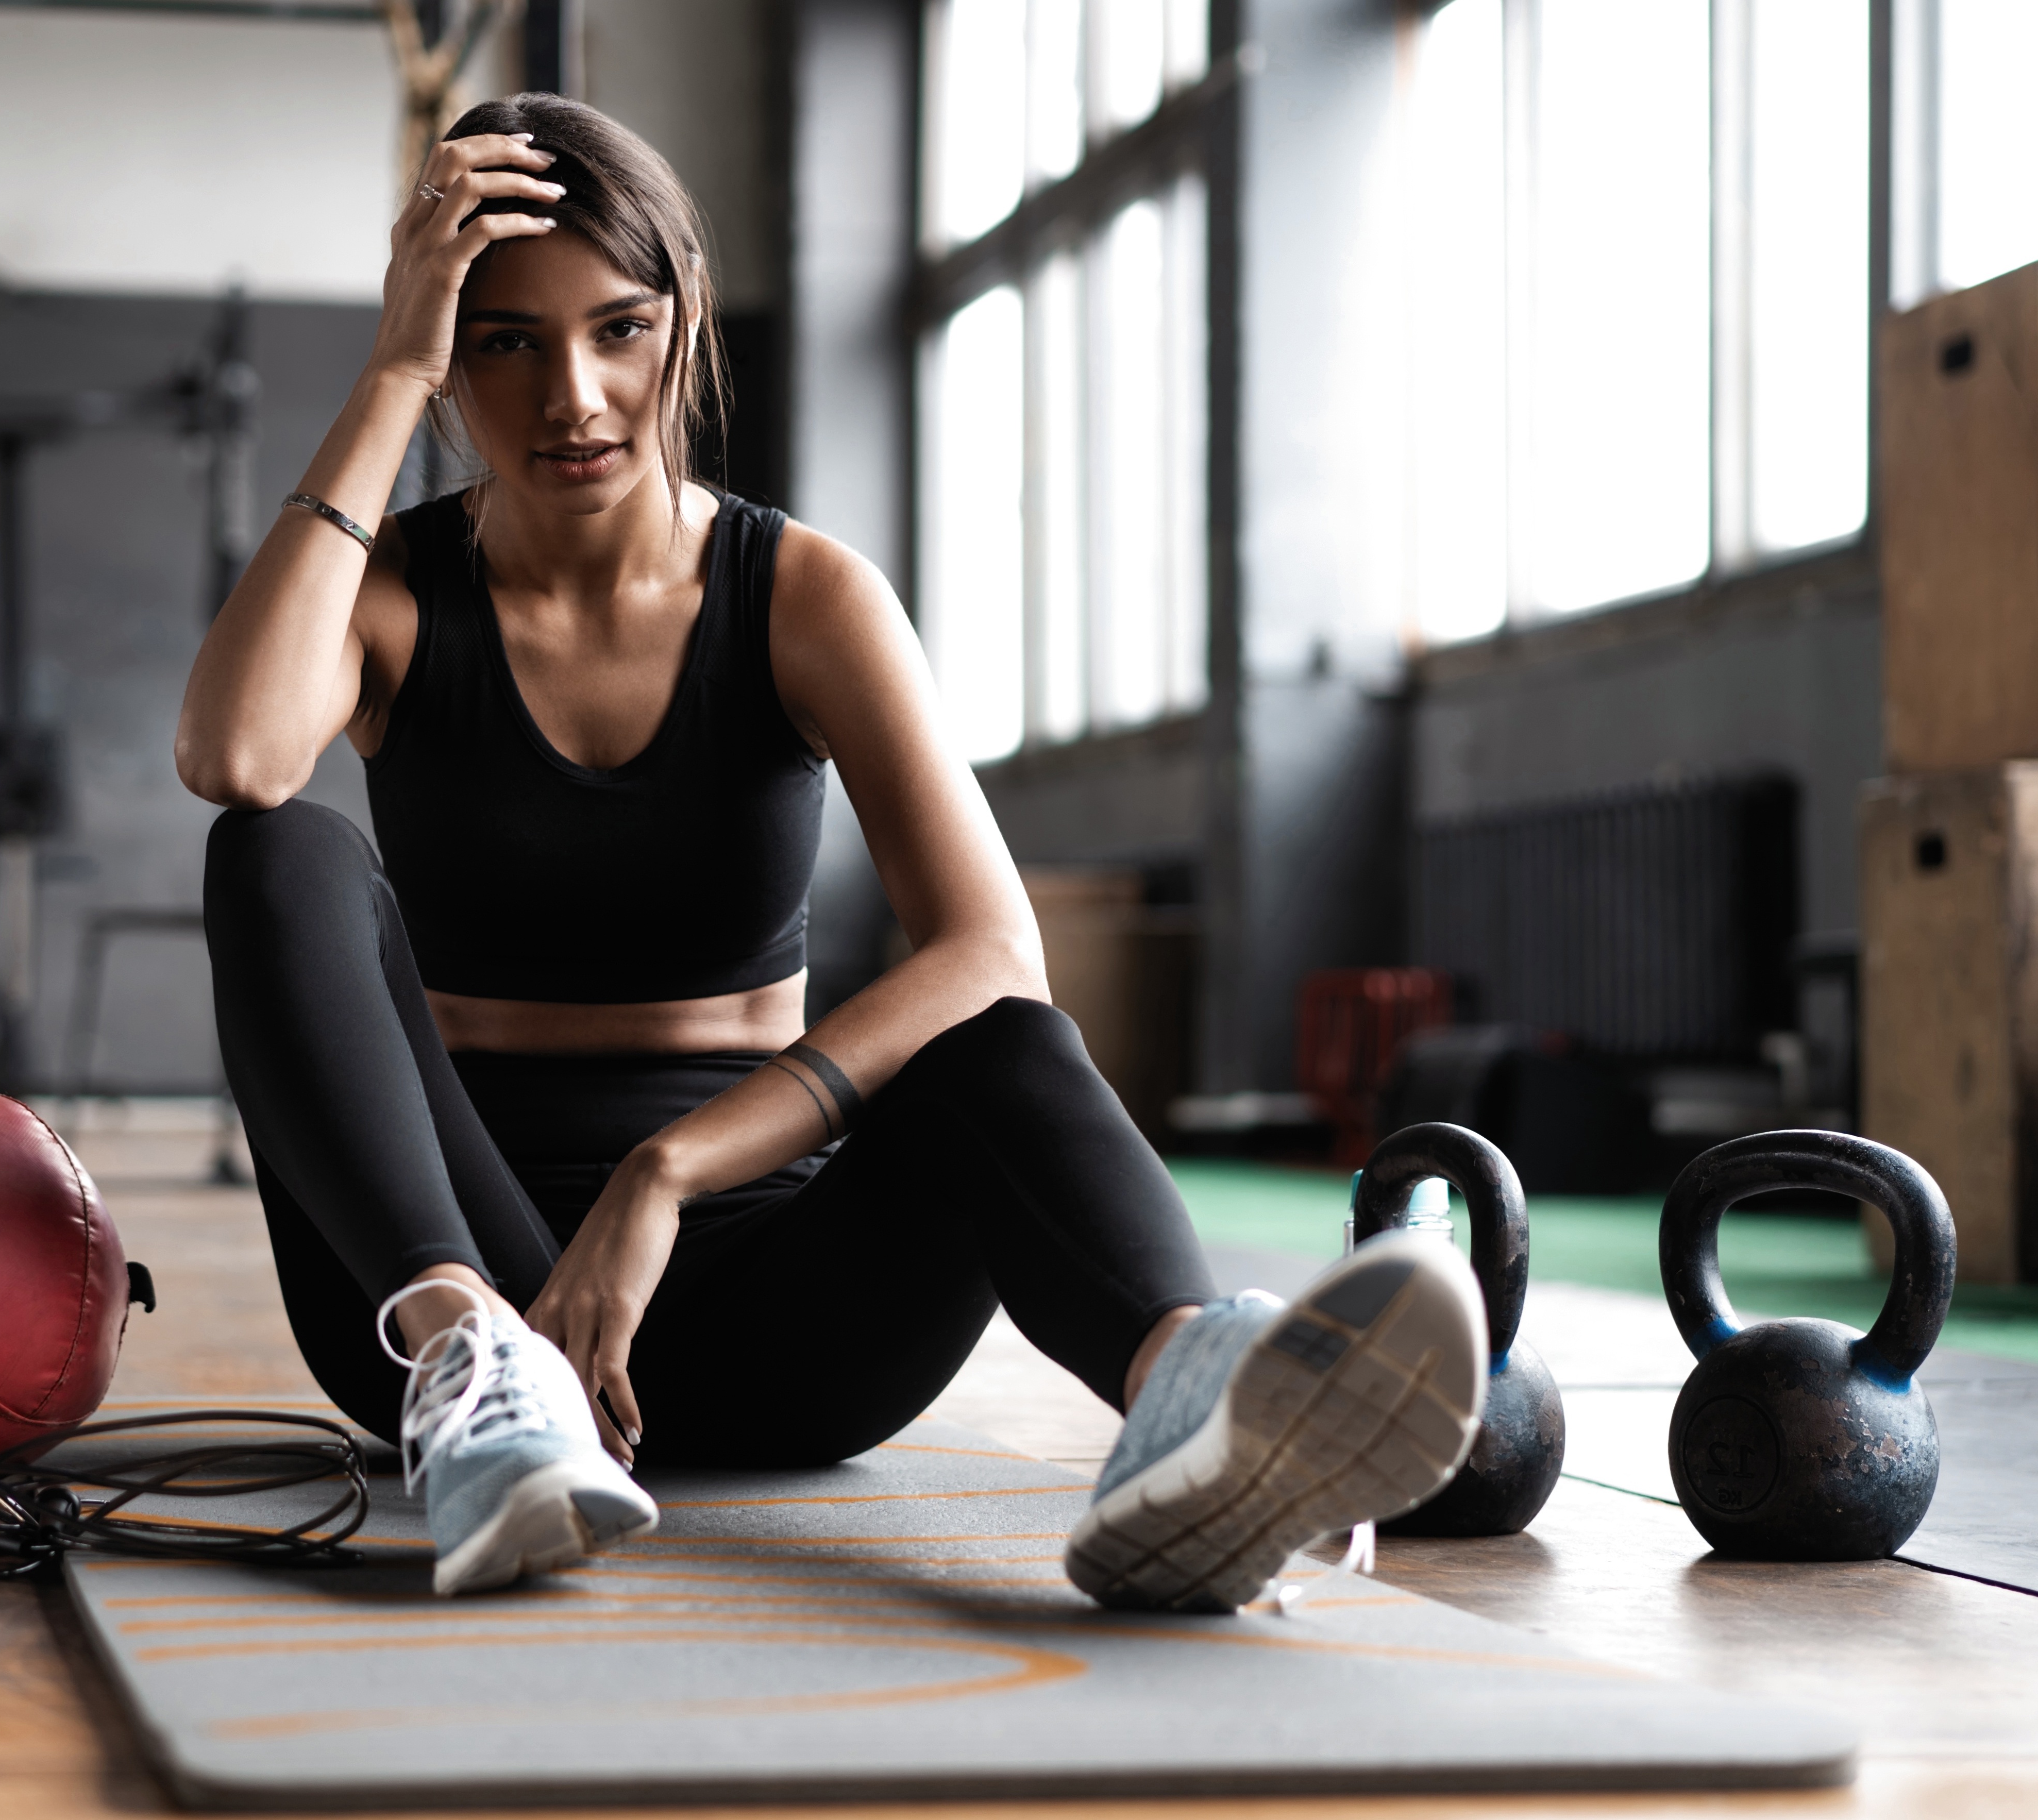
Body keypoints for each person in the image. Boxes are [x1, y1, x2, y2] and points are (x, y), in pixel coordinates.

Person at [175, 93, 1487, 1605]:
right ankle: (475, 1370)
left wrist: (662, 1175)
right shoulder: (399, 595)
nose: (576, 397)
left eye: (621, 329)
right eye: (504, 343)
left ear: (686, 321)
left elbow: (994, 946)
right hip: (455, 1308)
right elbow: (238, 755)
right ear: (450, 358)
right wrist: (391, 368)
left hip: (787, 1319)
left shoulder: (801, 594)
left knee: (998, 1031)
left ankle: (1203, 1401)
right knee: (277, 855)